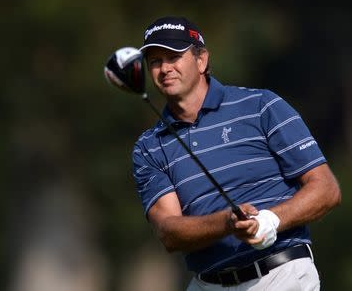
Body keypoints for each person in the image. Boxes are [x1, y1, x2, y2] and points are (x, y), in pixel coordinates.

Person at [131, 16, 341, 291]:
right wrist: (227, 223)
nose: (164, 68)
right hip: (207, 284)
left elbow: (326, 189)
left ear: (201, 60)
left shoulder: (261, 106)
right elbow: (169, 232)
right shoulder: (149, 146)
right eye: (155, 61)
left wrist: (270, 220)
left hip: (280, 275)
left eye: (173, 57)